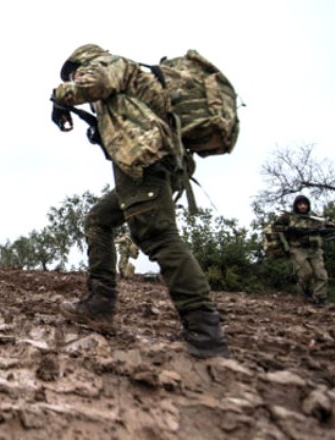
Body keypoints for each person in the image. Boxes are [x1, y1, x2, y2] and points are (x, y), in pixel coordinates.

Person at [52, 44, 229, 358]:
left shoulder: (105, 62)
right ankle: (99, 305)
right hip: (141, 166)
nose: (75, 78)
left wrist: (60, 95)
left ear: (83, 61)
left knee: (158, 237)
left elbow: (95, 83)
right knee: (98, 220)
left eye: (73, 73)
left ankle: (205, 331)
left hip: (145, 163)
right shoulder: (123, 87)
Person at [274, 195, 333, 305]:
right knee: (305, 273)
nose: (302, 206)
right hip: (298, 249)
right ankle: (305, 295)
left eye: (305, 204)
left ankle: (320, 298)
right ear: (296, 205)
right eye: (300, 204)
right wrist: (289, 229)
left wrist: (328, 228)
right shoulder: (289, 217)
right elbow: (276, 227)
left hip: (314, 249)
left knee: (321, 275)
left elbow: (327, 226)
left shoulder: (315, 217)